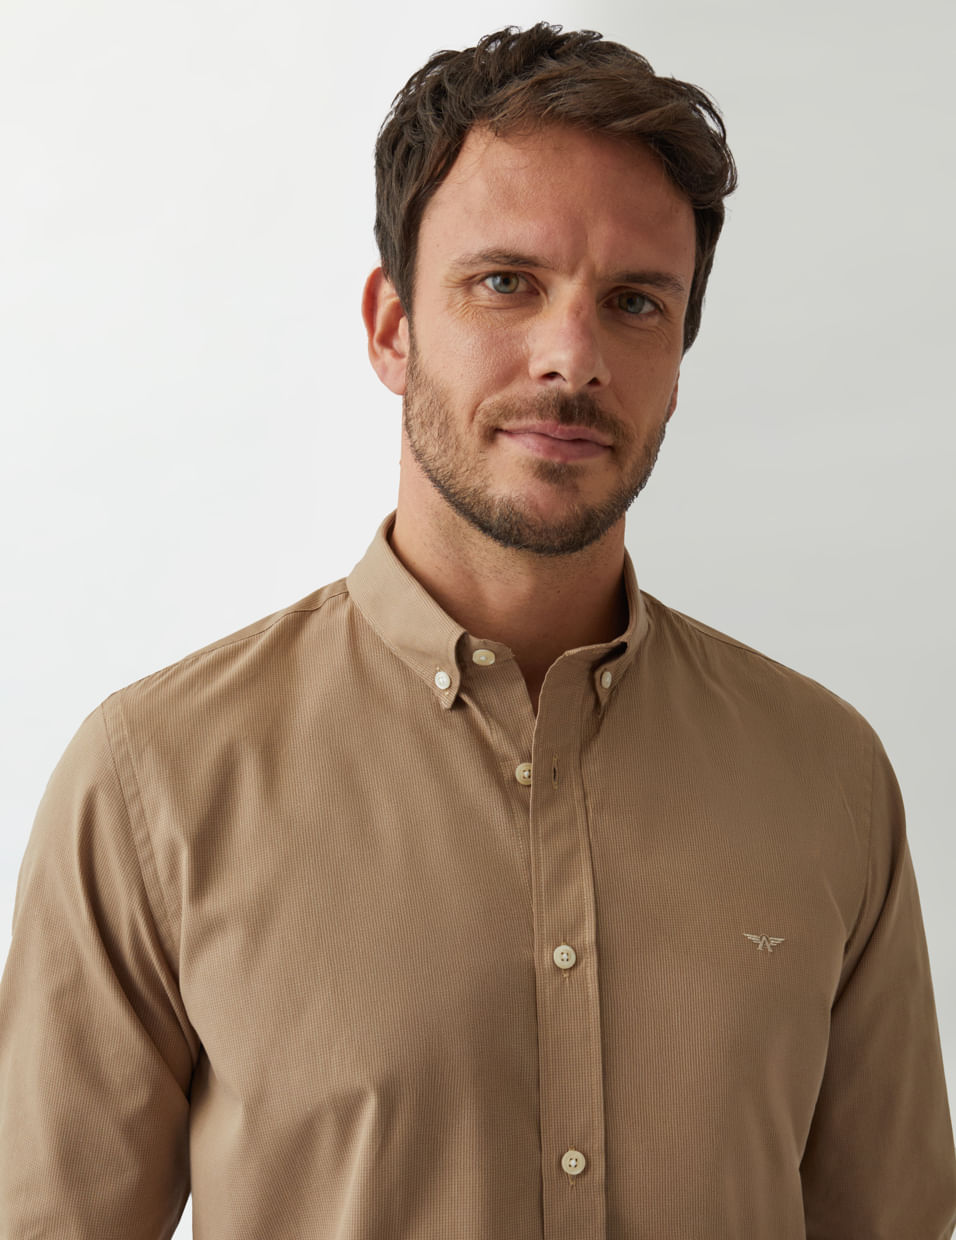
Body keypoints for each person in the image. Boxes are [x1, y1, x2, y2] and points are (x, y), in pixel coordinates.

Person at [1, 20, 954, 1237]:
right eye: (505, 282)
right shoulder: (156, 782)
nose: (572, 357)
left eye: (633, 302)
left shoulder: (827, 779)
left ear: (678, 357)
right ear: (390, 328)